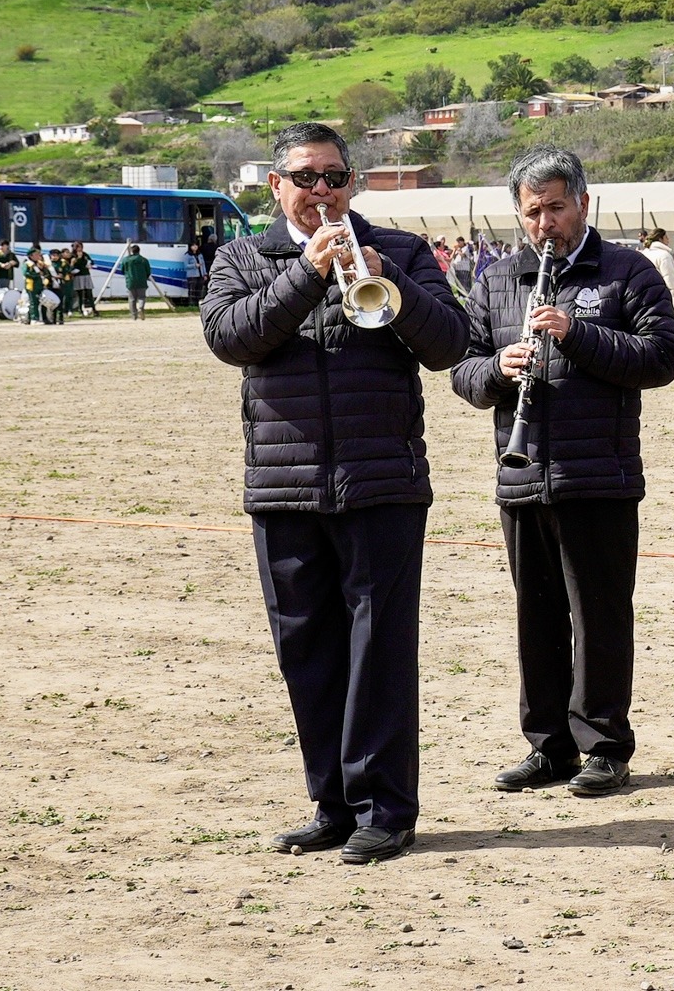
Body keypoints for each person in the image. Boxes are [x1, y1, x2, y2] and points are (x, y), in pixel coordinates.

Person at [200, 121, 468, 864]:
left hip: (382, 481)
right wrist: (307, 273)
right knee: (306, 650)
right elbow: (229, 339)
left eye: (335, 177)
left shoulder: (402, 250)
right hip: (283, 486)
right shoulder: (242, 257)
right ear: (276, 186)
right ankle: (332, 805)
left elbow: (451, 343)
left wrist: (392, 282)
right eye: (305, 178)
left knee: (379, 650)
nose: (321, 191)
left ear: (353, 183)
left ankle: (385, 808)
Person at [453, 148, 674, 800]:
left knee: (600, 618)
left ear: (583, 203)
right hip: (522, 473)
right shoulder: (497, 279)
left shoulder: (627, 271)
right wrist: (497, 370)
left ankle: (604, 746)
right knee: (538, 619)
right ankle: (548, 746)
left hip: (599, 475)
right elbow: (462, 371)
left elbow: (662, 357)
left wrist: (576, 334)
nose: (545, 223)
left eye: (556, 208)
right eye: (533, 212)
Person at [641, 227, 674, 299]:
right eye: (666, 237)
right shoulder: (664, 255)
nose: (668, 239)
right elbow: (669, 278)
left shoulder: (643, 253)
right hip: (658, 294)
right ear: (660, 239)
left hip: (642, 292)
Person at [121, 243, 153, 320]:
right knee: (142, 297)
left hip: (130, 282)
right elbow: (148, 271)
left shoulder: (126, 260)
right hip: (142, 282)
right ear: (139, 251)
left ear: (132, 251)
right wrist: (145, 277)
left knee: (132, 299)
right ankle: (140, 308)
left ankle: (134, 315)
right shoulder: (144, 260)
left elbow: (122, 270)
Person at [66, 241, 97, 315]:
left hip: (86, 274)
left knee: (89, 292)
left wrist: (90, 264)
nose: (80, 249)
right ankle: (80, 309)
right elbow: (73, 265)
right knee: (80, 293)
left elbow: (91, 261)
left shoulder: (85, 254)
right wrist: (78, 258)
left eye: (81, 247)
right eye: (78, 247)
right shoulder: (72, 256)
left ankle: (94, 309)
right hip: (78, 275)